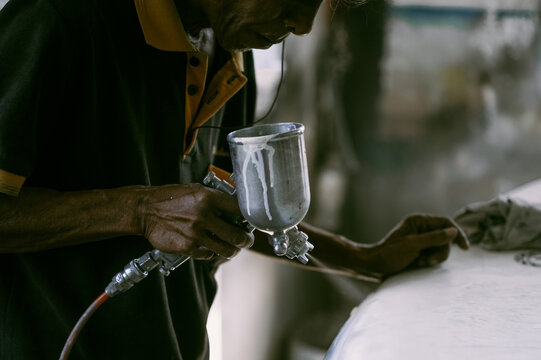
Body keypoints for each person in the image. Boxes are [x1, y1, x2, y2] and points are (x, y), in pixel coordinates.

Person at [0, 0, 469, 358]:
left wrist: (368, 259)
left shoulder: (223, 52)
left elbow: (233, 215)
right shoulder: (57, 20)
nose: (303, 25)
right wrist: (138, 209)